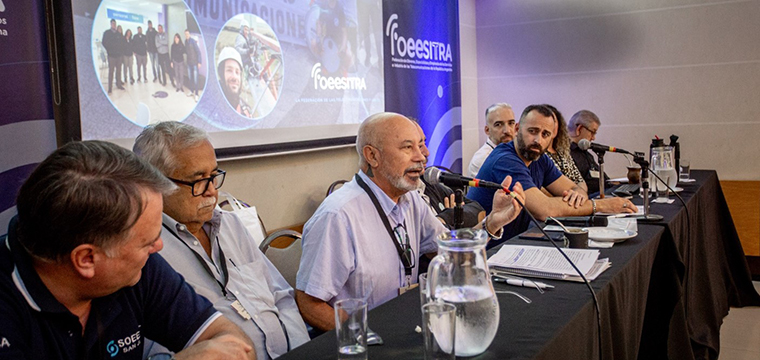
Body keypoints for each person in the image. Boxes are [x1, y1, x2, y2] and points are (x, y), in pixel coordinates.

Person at [0, 140, 256, 360]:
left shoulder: (139, 269)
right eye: (147, 242)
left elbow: (234, 342)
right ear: (87, 259)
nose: (159, 246)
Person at [295, 112, 525, 331]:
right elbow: (308, 303)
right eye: (407, 147)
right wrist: (365, 335)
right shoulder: (338, 216)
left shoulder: (410, 198)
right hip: (365, 341)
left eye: (419, 145)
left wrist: (493, 222)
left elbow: (448, 252)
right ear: (372, 156)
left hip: (402, 323)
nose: (421, 156)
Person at [133, 122, 309, 360]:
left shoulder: (230, 225)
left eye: (213, 176)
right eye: (198, 181)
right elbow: (155, 351)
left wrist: (302, 352)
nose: (212, 191)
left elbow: (282, 296)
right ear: (155, 184)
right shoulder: (146, 252)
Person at [467, 104, 635, 241]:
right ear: (518, 129)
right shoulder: (505, 160)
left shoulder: (539, 157)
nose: (538, 140)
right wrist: (603, 206)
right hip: (487, 252)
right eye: (532, 131)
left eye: (545, 134)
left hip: (514, 242)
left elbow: (575, 187)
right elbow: (544, 209)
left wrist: (578, 194)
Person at [412, 121, 485, 229]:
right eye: (418, 146)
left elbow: (478, 211)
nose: (426, 153)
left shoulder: (427, 182)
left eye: (424, 144)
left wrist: (447, 216)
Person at [544, 105, 587, 192]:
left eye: (553, 121)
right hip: (558, 200)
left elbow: (580, 181)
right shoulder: (538, 154)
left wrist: (581, 194)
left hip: (578, 200)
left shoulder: (563, 152)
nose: (550, 126)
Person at [468, 103, 517, 178]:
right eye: (498, 124)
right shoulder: (484, 158)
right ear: (487, 130)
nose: (507, 130)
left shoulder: (516, 152)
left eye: (511, 123)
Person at [568, 109, 610, 194]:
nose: (593, 138)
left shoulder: (586, 153)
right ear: (579, 129)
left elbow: (605, 180)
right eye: (592, 132)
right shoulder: (565, 154)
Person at [217, 47, 252, 117]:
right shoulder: (212, 104)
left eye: (237, 72)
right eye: (229, 70)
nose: (235, 77)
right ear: (221, 74)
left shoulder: (246, 111)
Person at [101, 19, 124, 94]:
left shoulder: (118, 33)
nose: (114, 25)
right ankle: (110, 88)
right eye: (113, 24)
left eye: (115, 24)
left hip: (119, 55)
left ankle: (119, 84)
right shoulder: (107, 33)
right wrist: (109, 50)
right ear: (110, 24)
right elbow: (104, 42)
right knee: (111, 72)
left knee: (119, 71)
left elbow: (121, 43)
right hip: (111, 56)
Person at [185, 29, 202, 101]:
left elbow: (198, 52)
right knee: (190, 78)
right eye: (185, 34)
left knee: (195, 80)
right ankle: (192, 91)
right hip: (189, 63)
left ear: (190, 34)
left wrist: (199, 62)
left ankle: (197, 94)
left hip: (195, 63)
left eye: (188, 34)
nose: (187, 35)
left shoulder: (193, 42)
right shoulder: (185, 42)